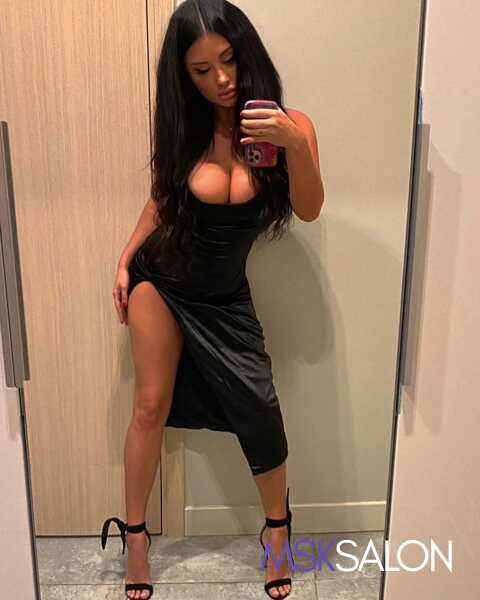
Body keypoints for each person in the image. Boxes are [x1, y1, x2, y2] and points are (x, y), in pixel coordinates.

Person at [100, 1, 324, 598]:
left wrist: (294, 144)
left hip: (224, 296)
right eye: (202, 70)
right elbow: (161, 200)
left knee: (260, 407)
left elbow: (309, 209)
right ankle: (136, 539)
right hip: (162, 282)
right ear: (184, 75)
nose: (221, 79)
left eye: (228, 60)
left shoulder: (290, 125)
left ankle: (277, 530)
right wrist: (125, 259)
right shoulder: (188, 130)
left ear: (246, 52)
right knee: (149, 405)